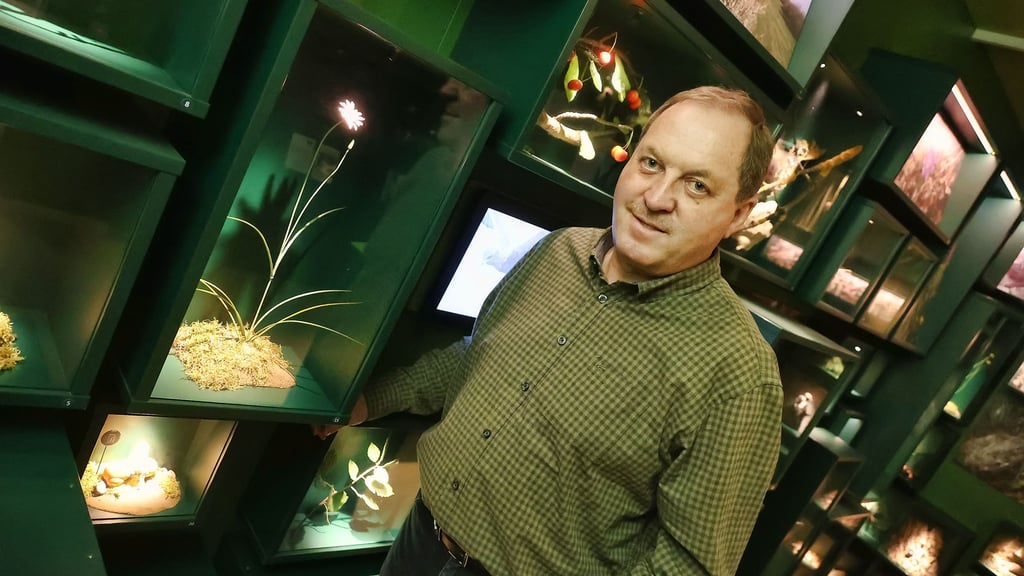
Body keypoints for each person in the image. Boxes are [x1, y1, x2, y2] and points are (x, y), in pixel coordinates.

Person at [317, 85, 783, 575]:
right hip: (419, 541)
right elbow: (478, 357)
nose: (656, 197)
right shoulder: (558, 250)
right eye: (651, 163)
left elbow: (689, 567)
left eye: (697, 186)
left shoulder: (739, 372)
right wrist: (372, 398)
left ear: (738, 213)